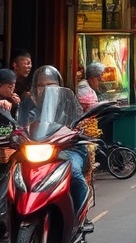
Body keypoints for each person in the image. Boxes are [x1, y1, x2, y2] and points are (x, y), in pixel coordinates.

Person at [17, 65, 91, 219]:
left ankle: (80, 217)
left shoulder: (69, 102)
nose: (45, 89)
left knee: (75, 174)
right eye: (41, 85)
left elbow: (79, 125)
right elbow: (20, 126)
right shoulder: (27, 104)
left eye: (50, 84)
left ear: (59, 85)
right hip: (38, 153)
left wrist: (76, 132)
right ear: (35, 88)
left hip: (68, 150)